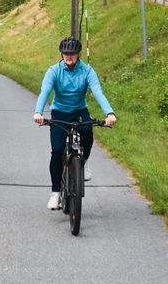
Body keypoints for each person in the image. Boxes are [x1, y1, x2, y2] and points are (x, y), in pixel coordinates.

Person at [32, 36, 117, 209]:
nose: (69, 57)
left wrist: (109, 113)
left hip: (79, 110)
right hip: (60, 111)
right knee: (56, 151)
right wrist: (38, 112)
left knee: (87, 131)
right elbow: (44, 91)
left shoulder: (87, 71)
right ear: (62, 54)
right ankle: (55, 193)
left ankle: (83, 162)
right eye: (66, 54)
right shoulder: (54, 71)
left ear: (78, 55)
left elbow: (98, 92)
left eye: (73, 54)